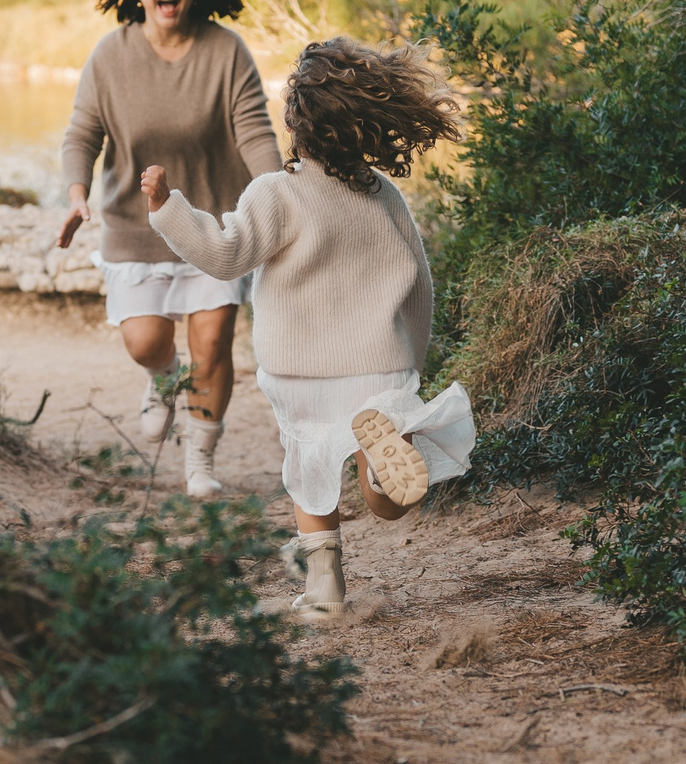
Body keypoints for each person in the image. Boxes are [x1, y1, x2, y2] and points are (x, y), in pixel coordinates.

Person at [140, 36, 475, 620]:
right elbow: (419, 285)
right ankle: (381, 467)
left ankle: (324, 595)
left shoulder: (277, 192)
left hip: (301, 370)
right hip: (377, 364)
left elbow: (224, 256)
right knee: (386, 495)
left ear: (296, 124)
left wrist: (169, 207)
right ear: (370, 124)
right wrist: (410, 365)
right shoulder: (384, 196)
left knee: (309, 470)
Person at [56, 0, 280, 497]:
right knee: (144, 341)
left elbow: (254, 130)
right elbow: (82, 133)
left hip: (211, 226)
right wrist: (78, 194)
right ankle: (161, 377)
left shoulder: (226, 52)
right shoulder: (111, 55)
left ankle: (199, 463)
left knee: (212, 346)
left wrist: (279, 192)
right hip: (135, 230)